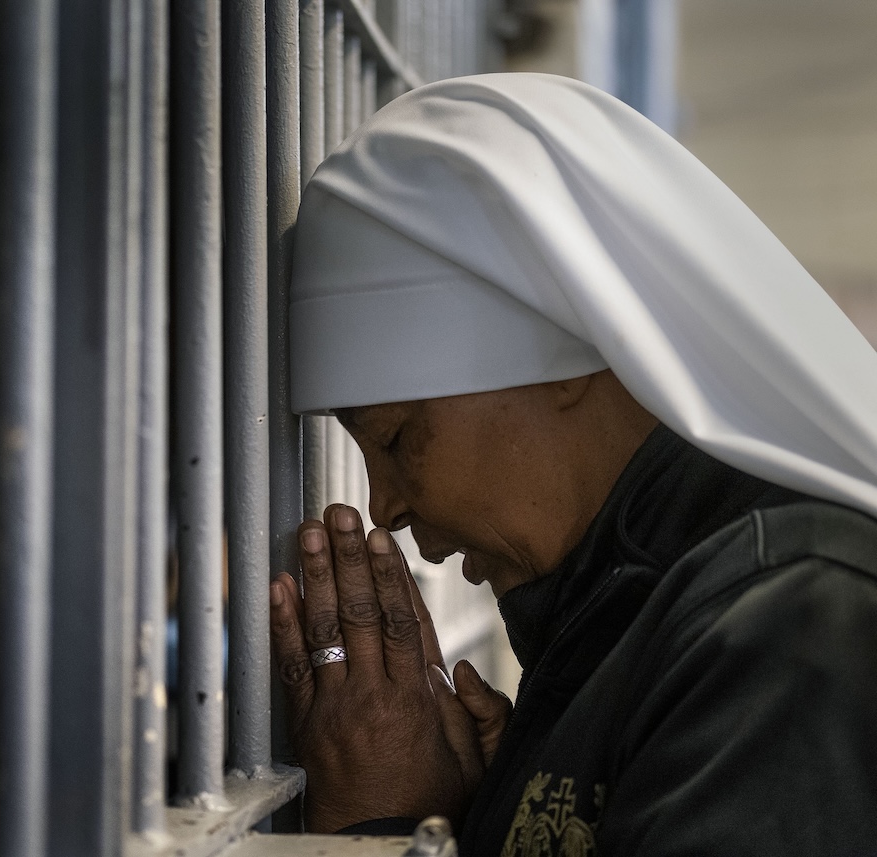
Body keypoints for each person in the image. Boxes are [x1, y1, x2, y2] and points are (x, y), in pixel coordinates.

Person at [269, 73, 877, 856]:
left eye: (393, 438)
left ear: (557, 356)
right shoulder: (636, 622)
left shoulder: (796, 629)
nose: (383, 506)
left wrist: (382, 834)